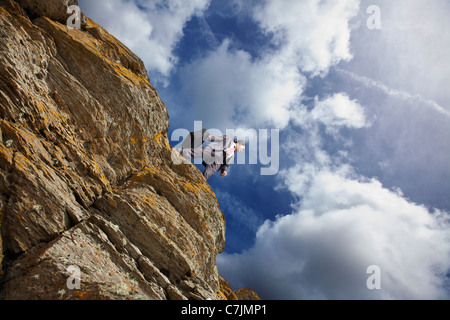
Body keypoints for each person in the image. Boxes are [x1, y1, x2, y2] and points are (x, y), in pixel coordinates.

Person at [176, 133, 245, 180]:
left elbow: (226, 164)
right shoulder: (228, 139)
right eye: (242, 148)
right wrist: (209, 137)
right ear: (239, 143)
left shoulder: (233, 155)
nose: (241, 150)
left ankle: (199, 183)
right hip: (213, 151)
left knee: (207, 173)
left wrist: (224, 171)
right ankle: (177, 152)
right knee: (196, 152)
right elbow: (217, 138)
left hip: (217, 163)